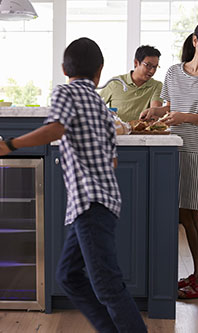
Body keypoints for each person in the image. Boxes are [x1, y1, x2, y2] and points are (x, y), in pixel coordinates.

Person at [0, 37, 147, 332]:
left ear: (64, 68)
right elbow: (113, 161)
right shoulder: (100, 104)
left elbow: (56, 128)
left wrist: (10, 144)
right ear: (100, 71)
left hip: (89, 202)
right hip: (102, 203)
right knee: (68, 275)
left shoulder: (65, 92)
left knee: (106, 286)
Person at [140, 18, 198, 299]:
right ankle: (197, 274)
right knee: (186, 217)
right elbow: (170, 108)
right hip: (177, 149)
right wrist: (154, 113)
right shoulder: (173, 72)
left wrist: (183, 117)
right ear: (196, 41)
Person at [99, 45, 163, 122]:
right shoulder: (115, 83)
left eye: (155, 67)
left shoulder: (156, 86)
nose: (152, 71)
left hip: (142, 132)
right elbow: (95, 106)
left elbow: (155, 113)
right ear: (136, 62)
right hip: (119, 132)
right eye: (148, 66)